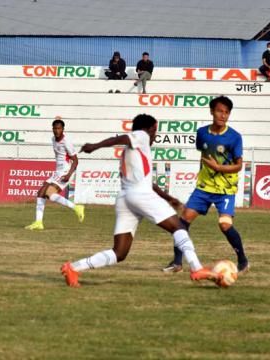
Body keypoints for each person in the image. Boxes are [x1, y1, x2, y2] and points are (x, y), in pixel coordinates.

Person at [61, 114, 220, 288]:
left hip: (125, 199)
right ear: (150, 128)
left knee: (119, 253)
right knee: (179, 227)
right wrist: (95, 146)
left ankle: (74, 267)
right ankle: (197, 268)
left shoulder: (132, 151)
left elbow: (147, 181)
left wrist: (168, 198)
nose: (155, 136)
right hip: (140, 195)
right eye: (155, 131)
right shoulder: (142, 136)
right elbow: (123, 137)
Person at [162, 96, 249, 275]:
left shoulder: (234, 137)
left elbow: (239, 166)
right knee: (182, 221)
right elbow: (204, 154)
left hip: (225, 189)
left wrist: (218, 167)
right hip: (204, 187)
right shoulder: (202, 133)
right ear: (211, 111)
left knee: (224, 224)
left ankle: (243, 261)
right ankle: (177, 263)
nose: (222, 115)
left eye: (226, 112)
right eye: (219, 111)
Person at [25, 117, 85, 230]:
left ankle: (77, 208)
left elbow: (76, 160)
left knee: (48, 193)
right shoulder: (53, 139)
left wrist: (68, 174)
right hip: (58, 171)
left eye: (59, 128)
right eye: (55, 128)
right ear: (52, 129)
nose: (57, 131)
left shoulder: (66, 142)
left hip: (66, 171)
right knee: (40, 193)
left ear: (63, 129)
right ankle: (38, 222)